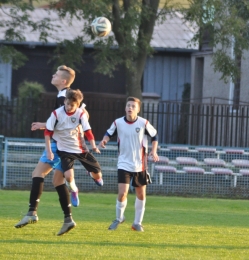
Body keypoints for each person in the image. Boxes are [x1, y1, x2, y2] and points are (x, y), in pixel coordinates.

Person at [14, 65, 103, 234]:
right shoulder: (64, 95)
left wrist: (45, 126)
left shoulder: (64, 95)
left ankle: (32, 212)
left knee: (38, 174)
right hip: (65, 144)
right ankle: (68, 219)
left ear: (63, 80)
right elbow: (78, 115)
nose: (52, 76)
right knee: (57, 181)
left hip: (59, 145)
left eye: (55, 74)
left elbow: (81, 116)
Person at [44, 88, 102, 235]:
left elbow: (88, 131)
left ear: (78, 105)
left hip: (81, 149)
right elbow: (47, 132)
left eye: (72, 105)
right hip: (64, 150)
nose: (69, 107)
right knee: (69, 176)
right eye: (68, 103)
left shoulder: (81, 114)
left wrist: (94, 146)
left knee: (98, 175)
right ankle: (74, 190)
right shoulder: (56, 113)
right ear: (64, 101)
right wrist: (49, 150)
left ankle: (93, 174)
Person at [99, 96, 159, 232]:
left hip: (140, 164)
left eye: (133, 106)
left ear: (138, 109)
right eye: (128, 105)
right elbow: (108, 133)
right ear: (125, 108)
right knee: (122, 193)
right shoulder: (118, 122)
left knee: (141, 194)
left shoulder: (143, 123)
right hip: (123, 163)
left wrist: (154, 151)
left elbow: (154, 136)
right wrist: (104, 140)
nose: (130, 108)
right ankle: (119, 218)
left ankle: (137, 223)